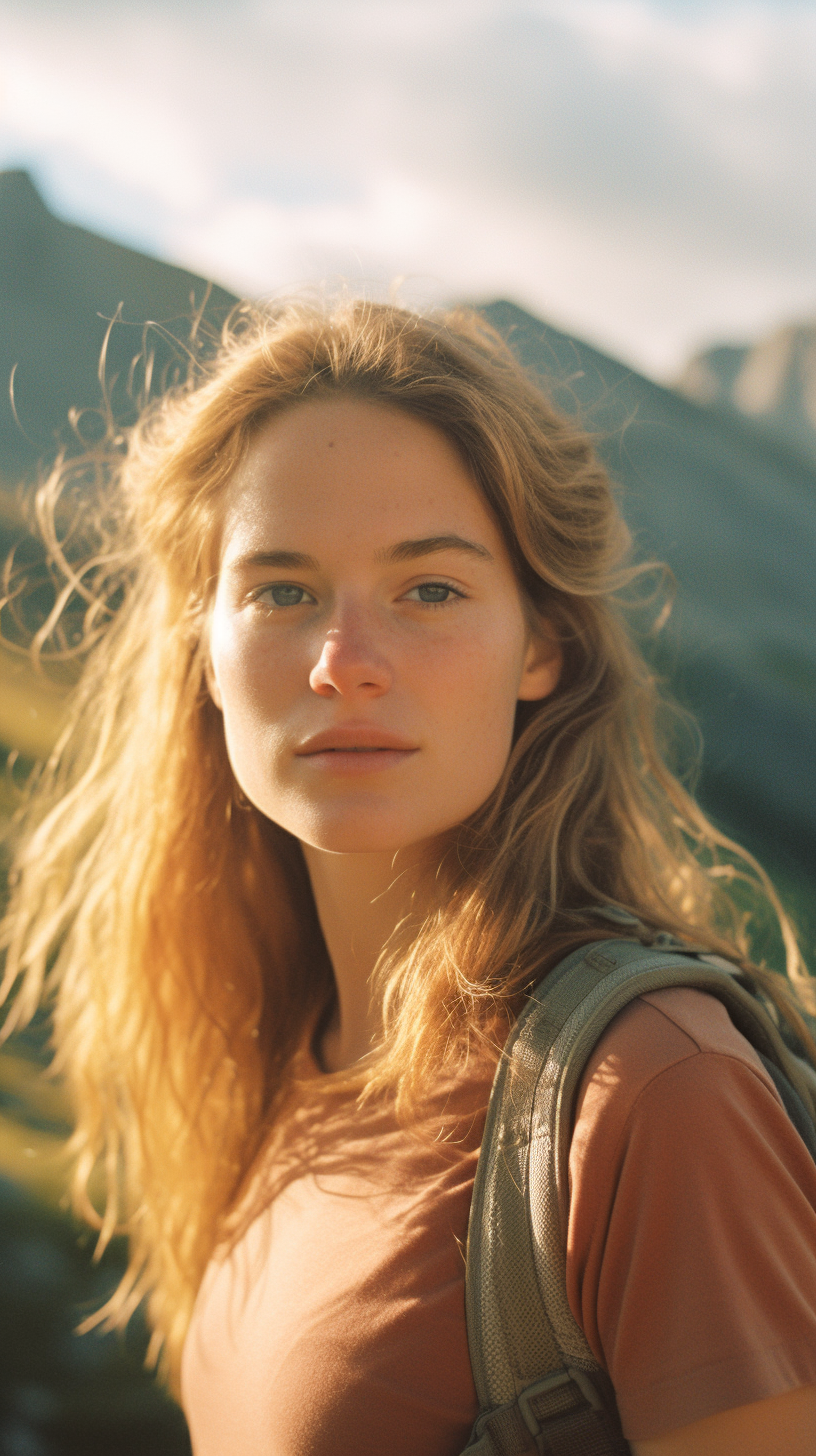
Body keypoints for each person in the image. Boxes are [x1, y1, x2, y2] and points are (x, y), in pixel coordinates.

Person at [2, 298, 816, 1456]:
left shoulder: (654, 1097)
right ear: (206, 654)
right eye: (281, 590)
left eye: (428, 589)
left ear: (544, 644)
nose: (345, 665)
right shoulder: (287, 1058)